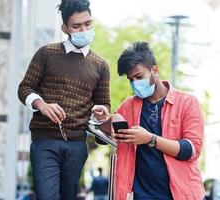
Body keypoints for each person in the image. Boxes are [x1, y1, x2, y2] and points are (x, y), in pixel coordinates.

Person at [17, 0, 110, 199]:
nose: (84, 29)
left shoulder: (101, 66)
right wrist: (40, 104)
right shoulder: (46, 53)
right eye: (77, 26)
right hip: (45, 141)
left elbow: (104, 103)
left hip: (77, 145)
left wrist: (101, 110)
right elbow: (24, 88)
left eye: (88, 23)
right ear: (65, 28)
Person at [111, 41, 205, 200]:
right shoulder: (128, 105)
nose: (135, 84)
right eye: (130, 79)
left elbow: (191, 150)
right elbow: (111, 131)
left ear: (154, 70)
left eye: (139, 76)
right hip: (141, 195)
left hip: (180, 194)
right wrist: (105, 118)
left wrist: (150, 139)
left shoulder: (187, 103)